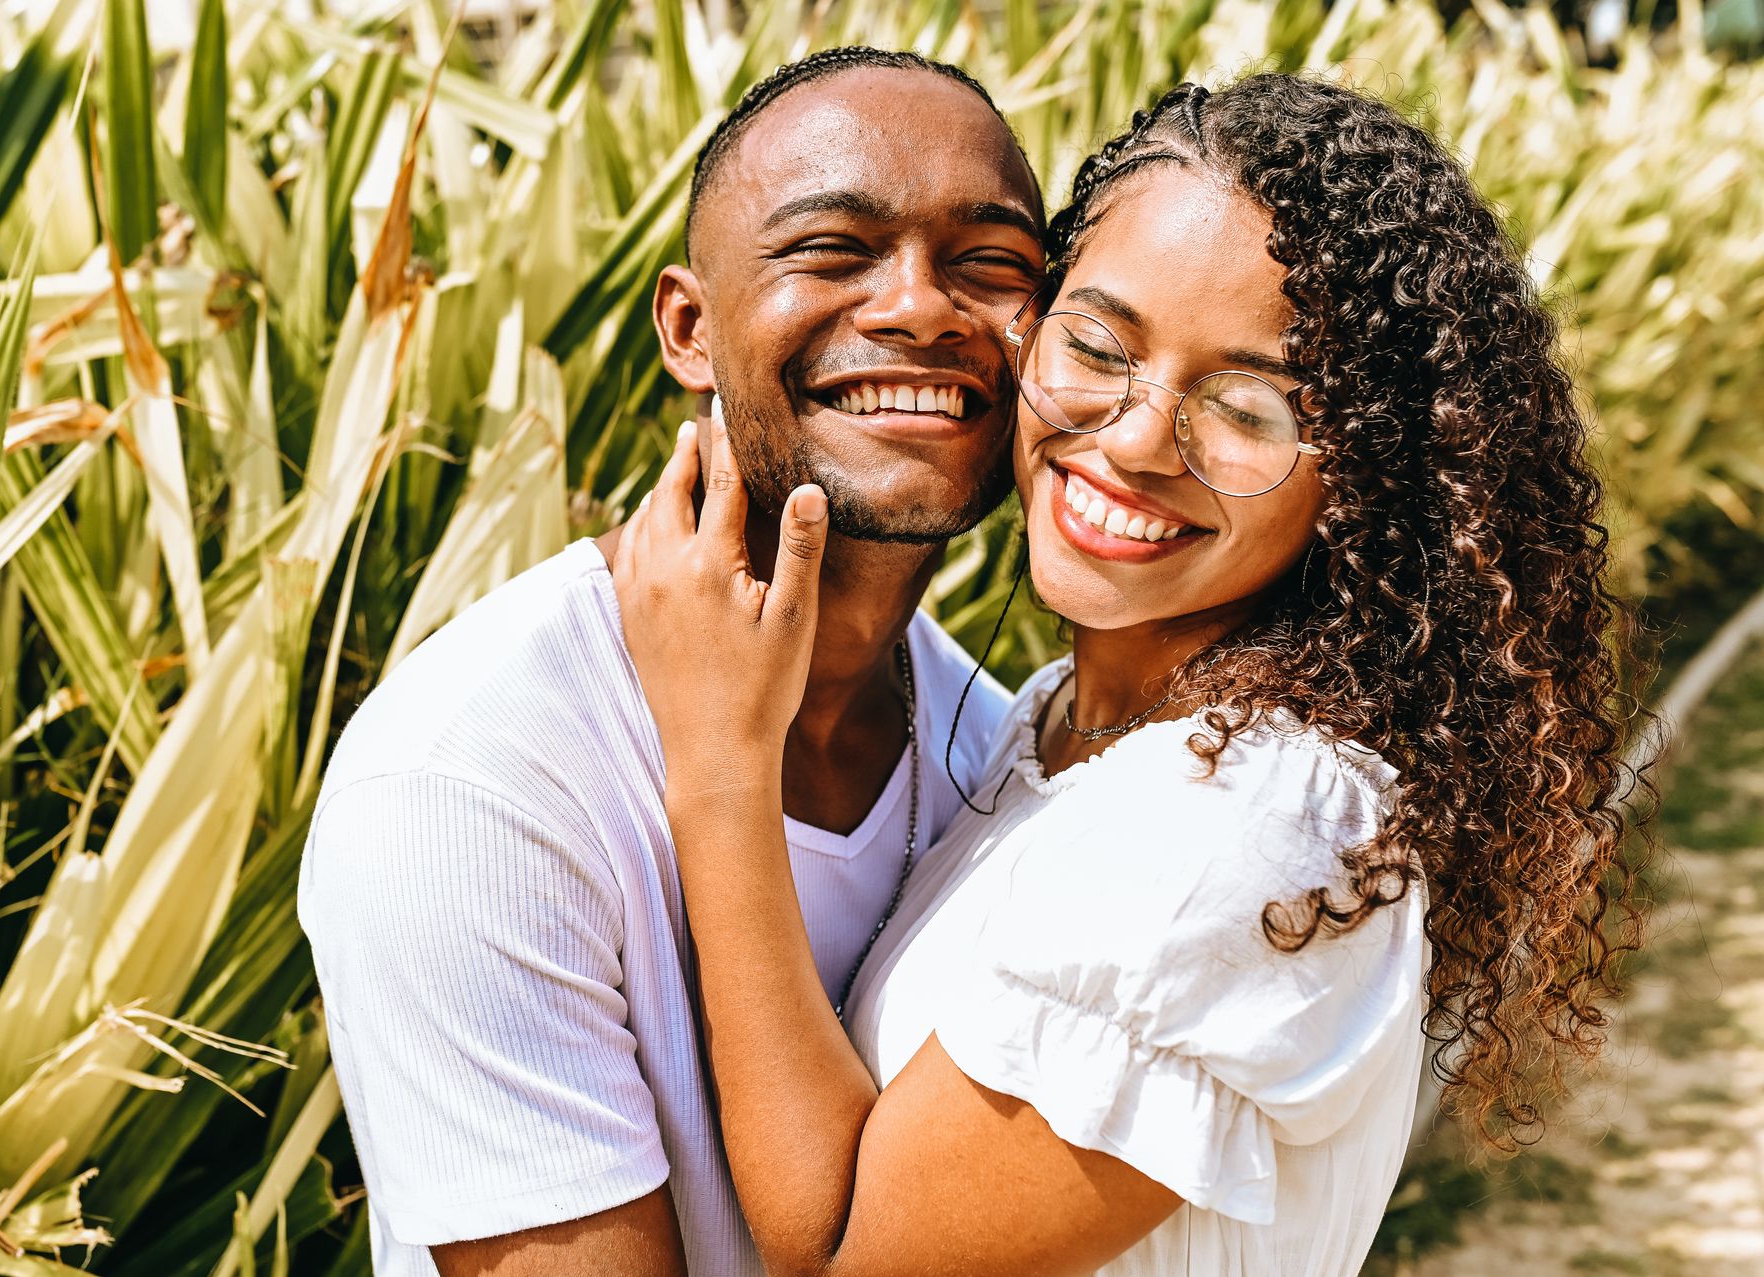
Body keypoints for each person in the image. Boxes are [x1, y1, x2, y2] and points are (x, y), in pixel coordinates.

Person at [612, 74, 1647, 1276]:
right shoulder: (1060, 732)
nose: (1141, 437)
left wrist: (722, 760)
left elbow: (843, 1244)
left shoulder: (1242, 825)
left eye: (1248, 406)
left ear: (1359, 480)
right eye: (1100, 345)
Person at [298, 48, 1047, 1277]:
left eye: (992, 264)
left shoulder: (990, 744)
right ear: (690, 329)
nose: (920, 306)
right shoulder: (470, 779)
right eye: (831, 250)